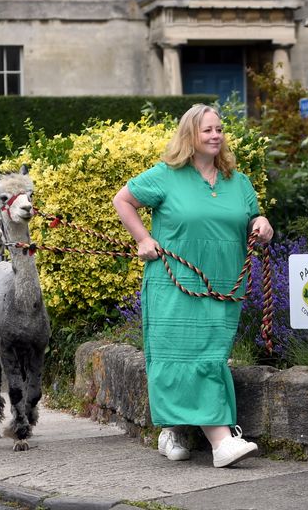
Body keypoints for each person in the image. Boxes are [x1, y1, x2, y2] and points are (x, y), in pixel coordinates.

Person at [113, 103, 274, 468]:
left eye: (219, 129)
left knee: (210, 357)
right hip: (174, 282)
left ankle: (171, 429)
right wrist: (142, 239)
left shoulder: (238, 181)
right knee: (183, 356)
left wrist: (263, 225)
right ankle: (222, 441)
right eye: (207, 130)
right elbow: (122, 200)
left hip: (224, 285)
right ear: (190, 135)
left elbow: (255, 217)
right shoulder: (165, 176)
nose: (216, 135)